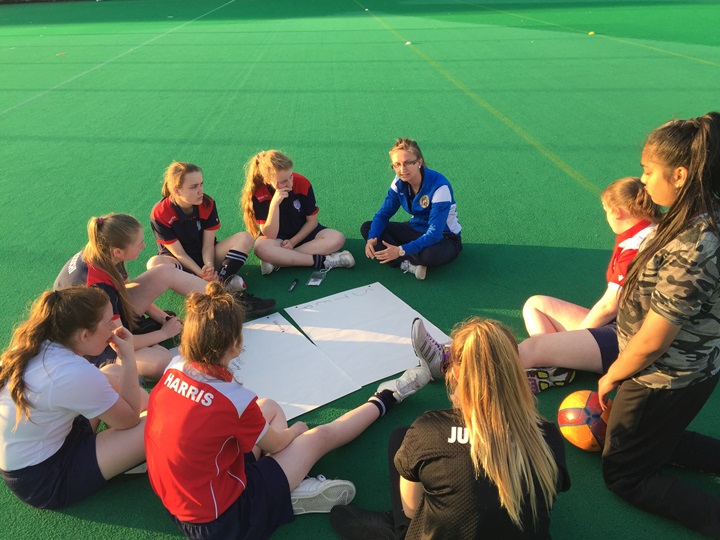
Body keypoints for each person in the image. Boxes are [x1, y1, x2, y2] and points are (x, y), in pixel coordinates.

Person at [144, 282, 432, 540]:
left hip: (184, 500)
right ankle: (387, 397)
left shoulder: (174, 367)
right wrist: (299, 430)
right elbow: (278, 443)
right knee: (318, 437)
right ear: (236, 344)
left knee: (268, 407)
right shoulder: (233, 400)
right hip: (223, 521)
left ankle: (285, 483)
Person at [411, 177, 662, 394]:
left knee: (531, 348)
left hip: (626, 339)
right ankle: (556, 369)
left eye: (605, 211)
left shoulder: (635, 246)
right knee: (535, 305)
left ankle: (449, 364)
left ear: (617, 212)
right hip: (624, 323)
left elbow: (609, 306)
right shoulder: (651, 230)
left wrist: (574, 338)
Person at [330, 318, 570, 539]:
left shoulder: (429, 430)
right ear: (516, 370)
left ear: (454, 371)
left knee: (401, 437)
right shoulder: (548, 436)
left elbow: (411, 509)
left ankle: (397, 531)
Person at [597, 112, 720, 535]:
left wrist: (613, 374)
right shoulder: (695, 213)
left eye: (649, 171)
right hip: (689, 370)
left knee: (625, 473)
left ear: (680, 175)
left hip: (663, 377)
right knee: (659, 439)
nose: (643, 180)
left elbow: (653, 340)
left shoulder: (695, 244)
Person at [54, 214, 274, 380]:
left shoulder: (103, 251)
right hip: (96, 347)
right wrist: (163, 332)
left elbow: (123, 291)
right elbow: (119, 342)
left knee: (164, 272)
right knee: (164, 362)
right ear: (117, 252)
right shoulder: (97, 287)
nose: (144, 245)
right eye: (139, 243)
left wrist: (162, 317)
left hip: (106, 319)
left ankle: (228, 302)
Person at [0, 287, 146, 509]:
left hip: (52, 441)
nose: (115, 328)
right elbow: (130, 420)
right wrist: (128, 358)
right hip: (45, 478)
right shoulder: (70, 372)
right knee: (153, 426)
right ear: (84, 335)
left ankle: (129, 451)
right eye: (109, 323)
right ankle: (136, 455)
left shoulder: (34, 345)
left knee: (111, 373)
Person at [361, 138, 462, 281]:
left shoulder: (440, 187)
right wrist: (372, 239)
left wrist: (400, 250)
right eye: (397, 165)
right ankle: (407, 263)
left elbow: (434, 233)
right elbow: (383, 214)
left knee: (429, 255)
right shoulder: (399, 181)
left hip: (444, 237)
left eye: (408, 163)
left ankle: (400, 256)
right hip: (415, 228)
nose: (402, 170)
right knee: (369, 228)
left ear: (419, 162)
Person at [240, 150, 355, 275]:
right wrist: (274, 204)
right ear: (267, 180)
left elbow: (312, 222)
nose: (290, 184)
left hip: (304, 234)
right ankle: (324, 261)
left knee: (337, 238)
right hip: (277, 240)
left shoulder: (302, 183)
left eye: (291, 176)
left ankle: (277, 260)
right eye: (283, 181)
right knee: (260, 248)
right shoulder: (259, 193)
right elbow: (271, 235)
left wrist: (293, 242)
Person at [148, 161, 253, 293]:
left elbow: (208, 246)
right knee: (154, 263)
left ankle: (218, 284)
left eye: (201, 184)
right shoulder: (160, 213)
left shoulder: (207, 203)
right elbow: (180, 254)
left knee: (245, 238)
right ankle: (211, 286)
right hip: (181, 263)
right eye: (193, 187)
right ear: (176, 191)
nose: (200, 191)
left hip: (207, 256)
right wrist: (200, 273)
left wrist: (209, 267)